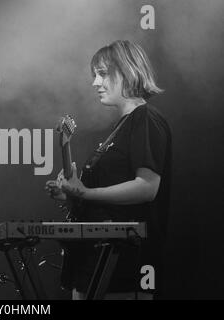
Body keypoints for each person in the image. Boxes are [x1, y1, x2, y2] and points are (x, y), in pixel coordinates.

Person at [45, 40, 172, 300]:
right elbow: (101, 199)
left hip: (124, 266)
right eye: (95, 75)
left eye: (103, 74)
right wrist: (72, 195)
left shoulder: (146, 119)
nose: (95, 83)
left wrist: (85, 194)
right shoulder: (119, 128)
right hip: (93, 262)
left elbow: (147, 187)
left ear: (128, 72)